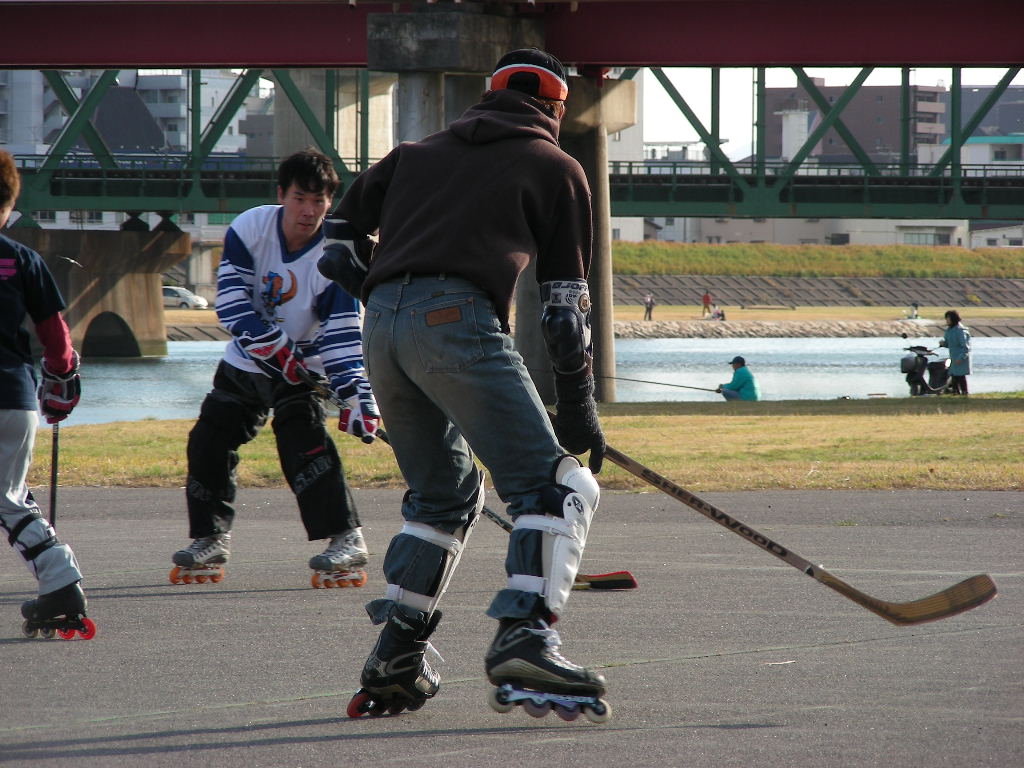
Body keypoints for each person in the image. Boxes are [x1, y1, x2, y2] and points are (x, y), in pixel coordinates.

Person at [325, 47, 607, 718]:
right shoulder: (556, 167)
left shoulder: (412, 156)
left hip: (381, 331)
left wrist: (392, 298)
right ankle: (526, 636)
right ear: (557, 108)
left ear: (489, 95)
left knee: (444, 497)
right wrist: (577, 408)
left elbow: (336, 248)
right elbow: (564, 317)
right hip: (457, 319)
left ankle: (396, 652)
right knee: (558, 486)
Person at [172, 149, 379, 586]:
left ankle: (347, 538)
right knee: (208, 439)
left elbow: (341, 334)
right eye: (300, 198)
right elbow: (229, 300)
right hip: (248, 361)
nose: (309, 211)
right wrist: (268, 345)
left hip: (305, 368)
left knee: (303, 446)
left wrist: (356, 395)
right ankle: (209, 537)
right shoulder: (251, 227)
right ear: (281, 194)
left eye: (319, 201)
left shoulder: (337, 251)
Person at [0, 150, 91, 636]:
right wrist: (61, 380)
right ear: (9, 209)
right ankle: (57, 583)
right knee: (8, 494)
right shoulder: (23, 260)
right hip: (16, 398)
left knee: (7, 501)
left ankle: (60, 581)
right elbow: (56, 337)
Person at [938, 310, 971, 395]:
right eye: (946, 318)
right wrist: (943, 344)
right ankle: (955, 392)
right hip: (953, 357)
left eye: (948, 318)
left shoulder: (960, 330)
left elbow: (965, 347)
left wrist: (961, 358)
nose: (947, 320)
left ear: (954, 319)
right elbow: (949, 344)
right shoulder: (949, 330)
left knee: (961, 376)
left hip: (960, 358)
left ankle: (964, 393)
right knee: (954, 375)